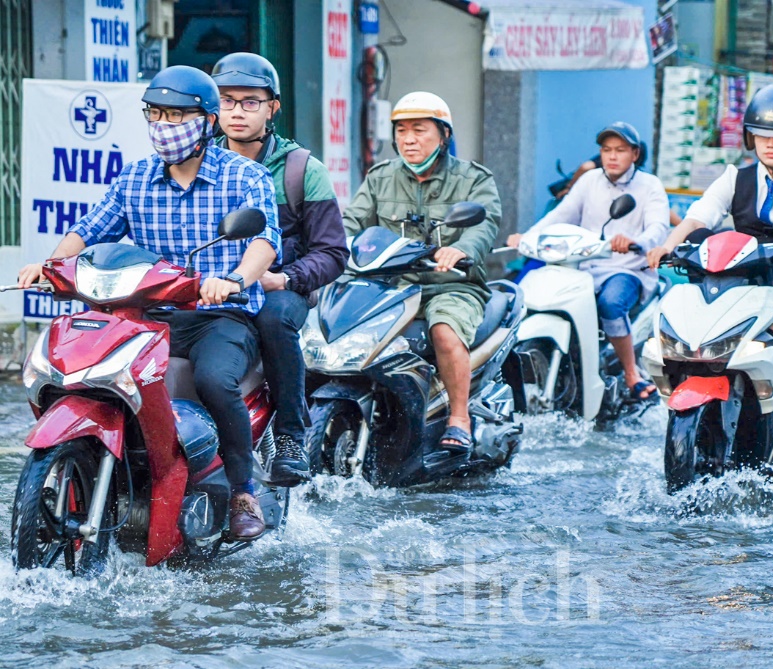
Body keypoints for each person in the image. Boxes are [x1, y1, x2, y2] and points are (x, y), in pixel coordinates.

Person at [18, 66, 282, 541]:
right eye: (156, 114)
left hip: (216, 315)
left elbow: (264, 242)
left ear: (206, 121)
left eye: (177, 115)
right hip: (144, 314)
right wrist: (49, 266)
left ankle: (243, 491)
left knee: (213, 380)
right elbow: (89, 229)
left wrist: (234, 280)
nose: (164, 125)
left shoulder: (246, 176)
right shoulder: (134, 177)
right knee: (83, 368)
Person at [212, 52, 349, 486]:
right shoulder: (197, 161)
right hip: (210, 285)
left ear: (273, 107)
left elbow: (332, 253)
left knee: (272, 320)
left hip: (279, 286)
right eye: (226, 100)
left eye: (250, 101)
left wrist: (284, 278)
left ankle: (291, 435)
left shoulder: (302, 170)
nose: (236, 111)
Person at [342, 91, 500, 452]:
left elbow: (485, 223)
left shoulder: (473, 179)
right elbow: (351, 222)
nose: (408, 139)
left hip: (451, 285)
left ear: (443, 135)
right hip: (391, 286)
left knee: (444, 331)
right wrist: (333, 244)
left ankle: (459, 417)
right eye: (401, 131)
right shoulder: (381, 177)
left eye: (419, 130)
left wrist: (462, 249)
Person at [646, 83, 773, 328]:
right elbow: (697, 218)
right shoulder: (734, 178)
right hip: (742, 283)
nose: (770, 144)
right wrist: (666, 247)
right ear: (751, 137)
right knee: (700, 236)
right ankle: (699, 317)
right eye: (762, 135)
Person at [507, 121, 670, 400]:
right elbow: (561, 215)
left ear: (635, 154)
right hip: (583, 266)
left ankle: (632, 373)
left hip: (627, 268)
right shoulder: (589, 180)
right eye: (606, 150)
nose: (612, 156)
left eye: (620, 150)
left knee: (610, 303)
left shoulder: (650, 186)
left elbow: (658, 227)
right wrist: (528, 237)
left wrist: (636, 242)